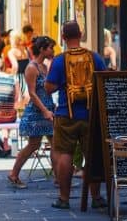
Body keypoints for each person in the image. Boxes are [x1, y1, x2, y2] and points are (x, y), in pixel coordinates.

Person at [45, 21, 107, 209]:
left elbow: (49, 88)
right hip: (91, 114)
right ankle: (95, 198)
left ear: (63, 38)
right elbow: (104, 82)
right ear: (81, 34)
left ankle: (64, 198)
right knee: (92, 155)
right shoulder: (94, 57)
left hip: (66, 113)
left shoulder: (59, 60)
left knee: (65, 154)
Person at [8, 36, 56, 188]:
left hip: (47, 108)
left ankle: (59, 177)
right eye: (50, 47)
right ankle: (14, 174)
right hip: (37, 111)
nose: (53, 50)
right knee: (33, 145)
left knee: (55, 143)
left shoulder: (45, 67)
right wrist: (45, 111)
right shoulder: (31, 67)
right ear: (42, 49)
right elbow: (32, 93)